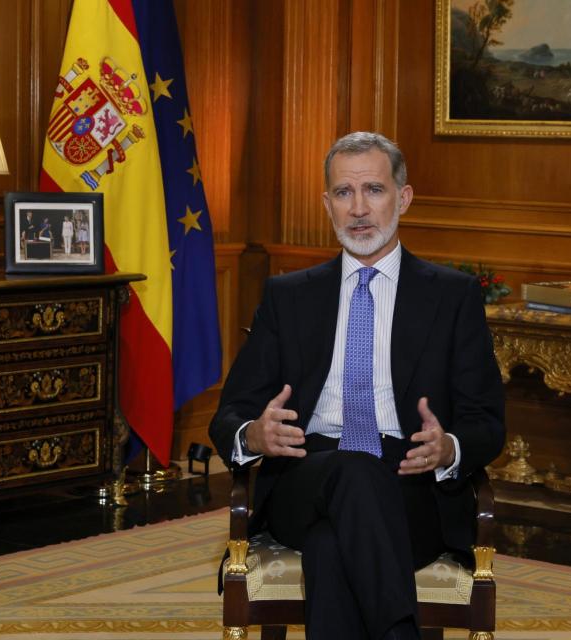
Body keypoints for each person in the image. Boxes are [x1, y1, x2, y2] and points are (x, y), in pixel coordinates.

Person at [209, 131, 505, 640]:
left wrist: (448, 447)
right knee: (351, 471)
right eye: (344, 193)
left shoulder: (452, 297)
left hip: (409, 479)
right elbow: (229, 414)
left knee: (329, 546)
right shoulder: (288, 297)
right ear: (327, 204)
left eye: (374, 189)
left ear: (403, 198)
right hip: (308, 472)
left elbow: (487, 422)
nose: (359, 208)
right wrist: (254, 437)